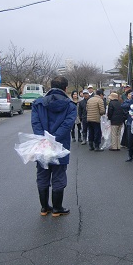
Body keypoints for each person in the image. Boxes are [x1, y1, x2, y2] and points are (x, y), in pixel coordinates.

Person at [31, 76, 77, 217]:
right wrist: (54, 139)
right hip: (60, 146)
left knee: (42, 174)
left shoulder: (38, 103)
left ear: (50, 86)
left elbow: (36, 123)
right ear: (65, 88)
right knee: (58, 174)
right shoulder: (70, 105)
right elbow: (67, 125)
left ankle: (44, 208)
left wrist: (45, 139)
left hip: (42, 145)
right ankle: (57, 208)